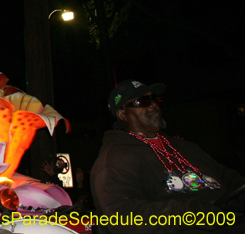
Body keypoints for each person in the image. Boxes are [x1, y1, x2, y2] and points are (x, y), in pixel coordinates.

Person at [91, 79, 244, 232]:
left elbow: (230, 179)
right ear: (123, 114)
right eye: (142, 101)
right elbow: (121, 216)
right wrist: (187, 212)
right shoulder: (116, 158)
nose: (153, 105)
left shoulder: (185, 147)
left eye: (153, 99)